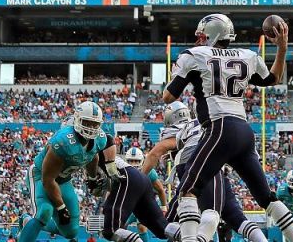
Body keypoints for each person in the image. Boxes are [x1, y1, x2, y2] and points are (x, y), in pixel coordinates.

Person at [163, 13, 293, 242]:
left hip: (219, 128)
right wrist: (282, 48)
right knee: (267, 197)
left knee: (188, 190)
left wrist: (183, 73)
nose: (199, 40)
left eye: (202, 35)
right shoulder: (248, 56)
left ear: (211, 35)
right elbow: (273, 79)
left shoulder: (194, 55)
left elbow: (168, 96)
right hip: (244, 133)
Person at [142, 102, 266, 242]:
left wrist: (140, 177)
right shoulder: (207, 124)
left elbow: (155, 153)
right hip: (211, 166)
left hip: (194, 168)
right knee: (232, 217)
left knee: (174, 223)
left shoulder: (182, 129)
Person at [17, 101, 121, 242]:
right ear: (77, 120)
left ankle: (28, 222)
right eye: (87, 122)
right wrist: (60, 207)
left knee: (71, 231)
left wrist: (92, 177)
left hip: (64, 180)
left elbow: (92, 156)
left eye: (94, 124)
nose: (91, 128)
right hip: (41, 176)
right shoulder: (63, 141)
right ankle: (28, 224)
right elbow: (48, 180)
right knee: (45, 212)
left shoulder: (99, 139)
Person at [101, 146, 173, 242]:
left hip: (143, 202)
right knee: (121, 226)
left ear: (141, 161)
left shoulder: (150, 172)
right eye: (131, 161)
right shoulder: (124, 170)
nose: (133, 164)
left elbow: (160, 189)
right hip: (129, 202)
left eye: (136, 161)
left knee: (142, 227)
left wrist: (164, 206)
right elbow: (112, 189)